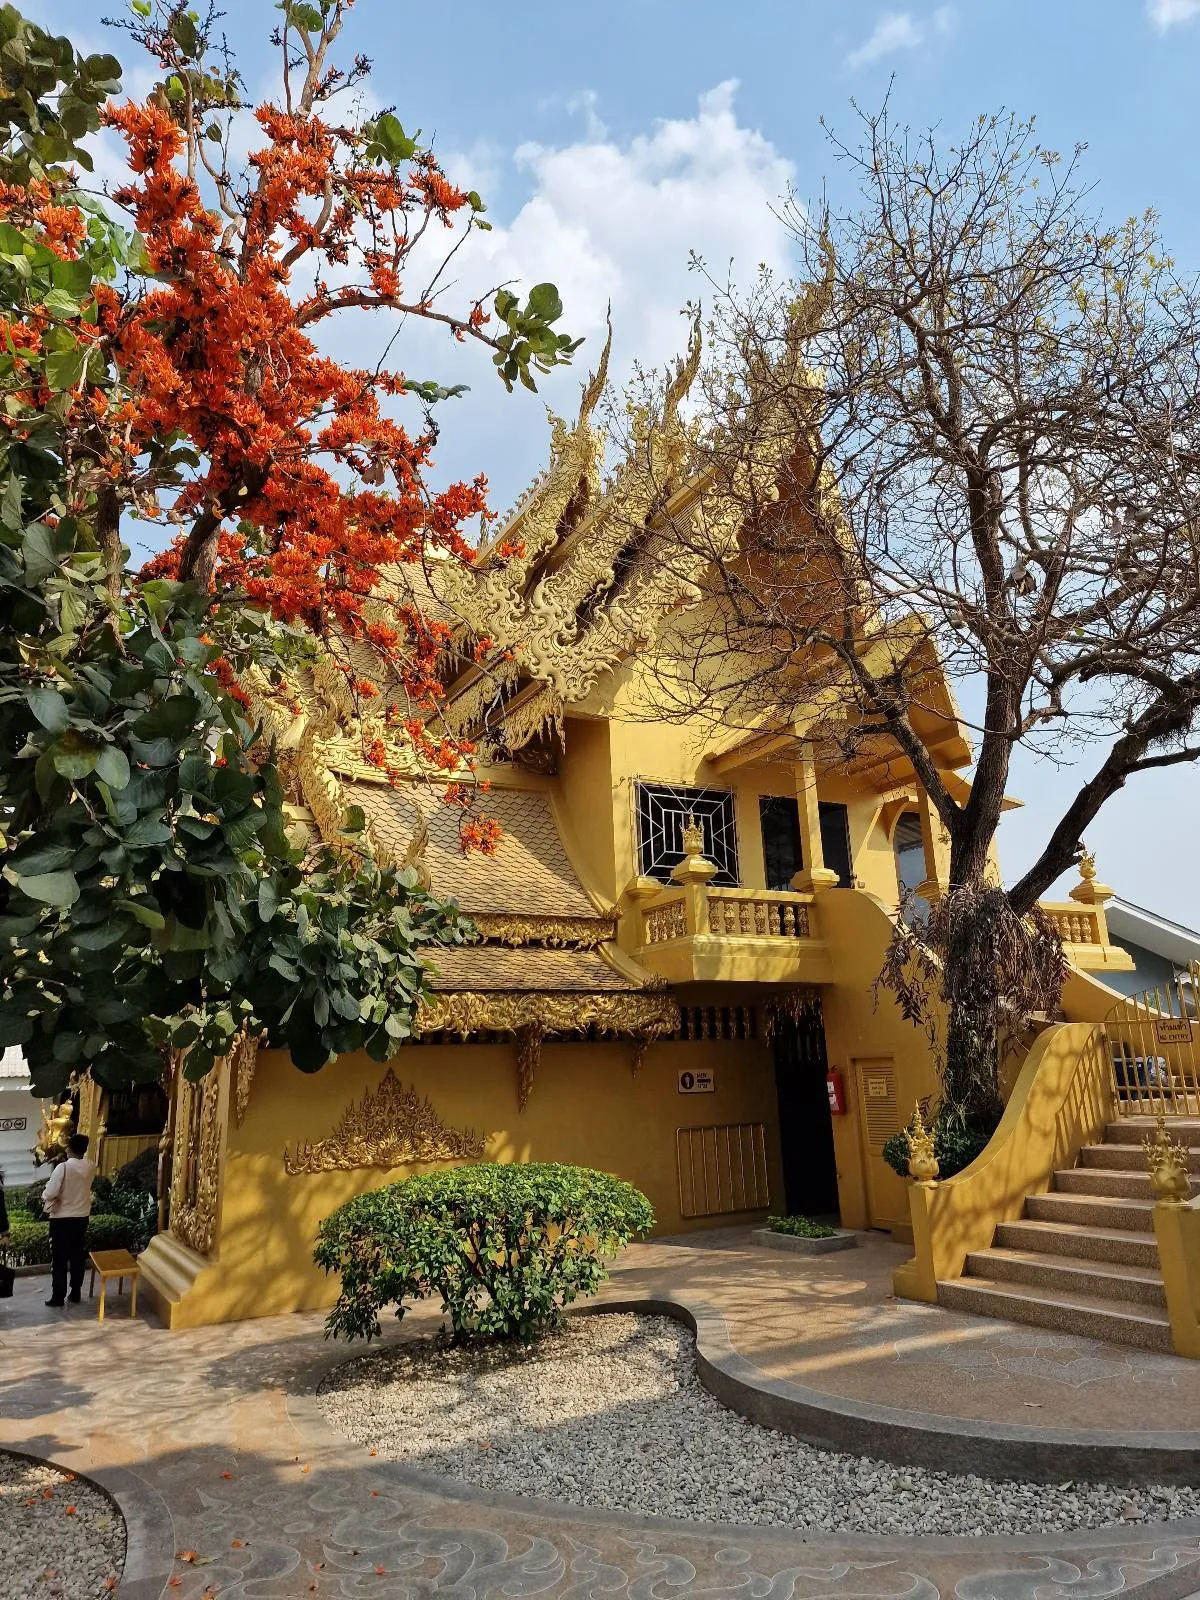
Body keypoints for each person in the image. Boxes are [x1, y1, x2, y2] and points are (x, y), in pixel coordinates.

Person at [42, 1134, 95, 1308]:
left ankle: (58, 1296)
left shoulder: (63, 1168)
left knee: (59, 1258)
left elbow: (51, 1193)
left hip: (61, 1218)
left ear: (69, 1148)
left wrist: (44, 1194)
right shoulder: (90, 1166)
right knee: (77, 1255)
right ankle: (75, 1291)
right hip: (82, 1217)